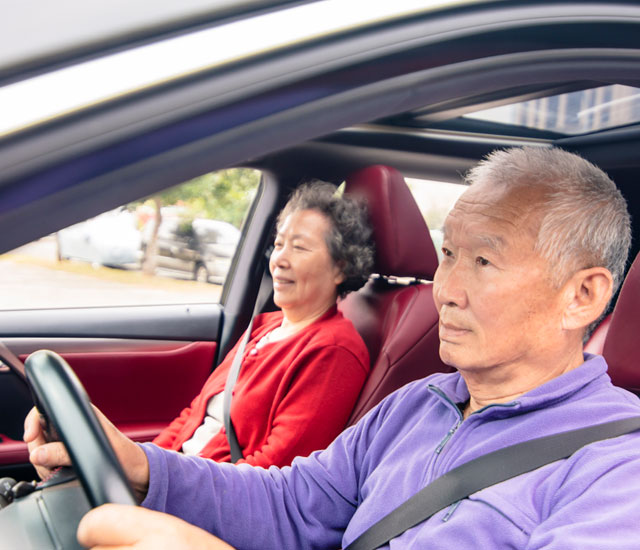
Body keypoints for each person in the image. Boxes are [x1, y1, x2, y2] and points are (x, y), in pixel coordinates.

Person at [25, 147, 640, 549]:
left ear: (582, 296)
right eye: (448, 254)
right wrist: (140, 465)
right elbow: (293, 505)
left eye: (484, 260)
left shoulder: (618, 471)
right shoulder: (418, 404)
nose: (446, 290)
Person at [153, 180, 374, 467]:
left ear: (340, 267)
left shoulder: (334, 351)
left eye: (299, 247)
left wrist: (164, 479)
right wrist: (143, 465)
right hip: (183, 475)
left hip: (219, 499)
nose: (280, 259)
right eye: (279, 244)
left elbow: (275, 469)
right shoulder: (264, 327)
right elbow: (193, 416)